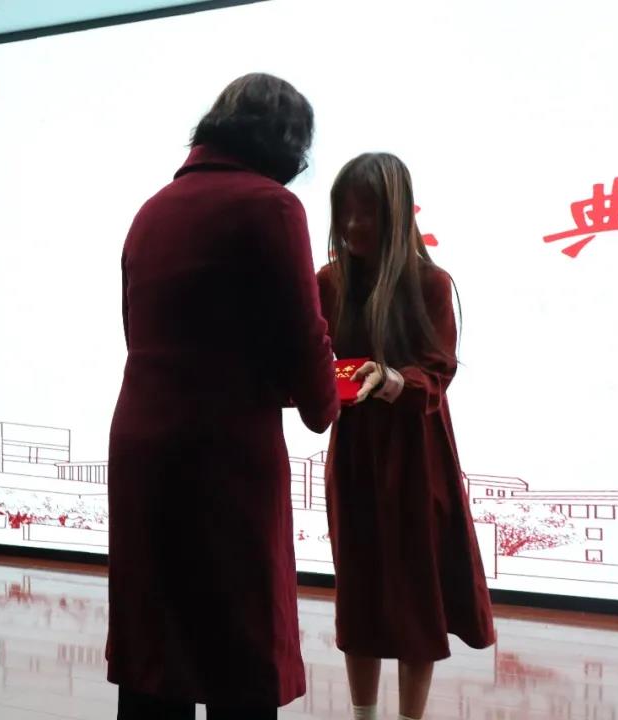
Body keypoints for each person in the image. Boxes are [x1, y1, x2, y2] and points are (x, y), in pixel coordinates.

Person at [106, 73, 340, 720]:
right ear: (288, 142)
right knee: (240, 647)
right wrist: (325, 402)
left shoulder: (152, 208)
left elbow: (138, 328)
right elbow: (302, 332)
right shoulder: (271, 206)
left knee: (156, 649)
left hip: (142, 443)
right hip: (224, 451)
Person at [316, 153, 496, 720]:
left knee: (419, 594)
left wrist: (393, 380)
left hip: (418, 456)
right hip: (353, 454)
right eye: (345, 212)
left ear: (396, 213)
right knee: (359, 592)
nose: (352, 226)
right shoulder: (328, 282)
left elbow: (439, 370)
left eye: (366, 212)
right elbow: (313, 360)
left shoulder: (431, 284)